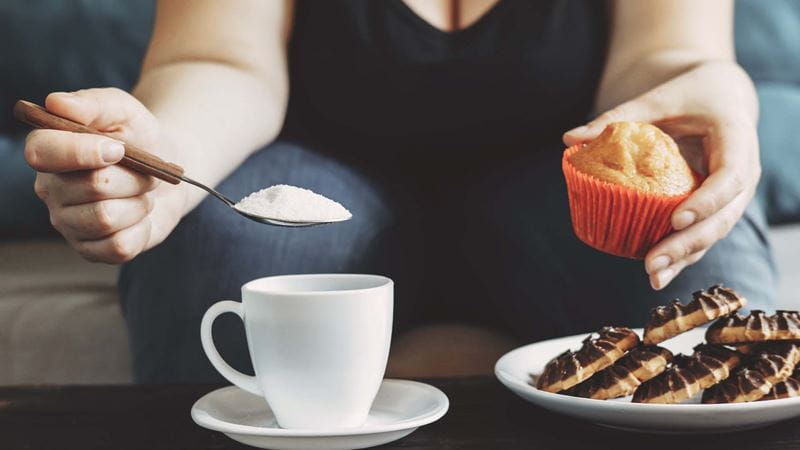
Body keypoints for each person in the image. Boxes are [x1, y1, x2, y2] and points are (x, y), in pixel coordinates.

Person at [23, 0, 772, 383]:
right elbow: (222, 58)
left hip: (563, 186)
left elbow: (670, 54)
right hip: (317, 169)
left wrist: (716, 87)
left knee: (714, 308)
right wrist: (172, 155)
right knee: (213, 256)